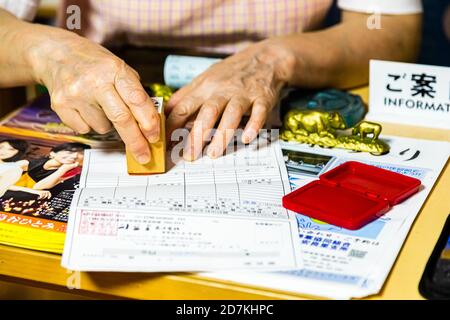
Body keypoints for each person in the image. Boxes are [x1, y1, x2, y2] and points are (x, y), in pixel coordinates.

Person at [0, 0, 423, 162]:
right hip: (104, 85)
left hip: (286, 85)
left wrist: (271, 60)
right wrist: (52, 53)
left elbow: (390, 30)